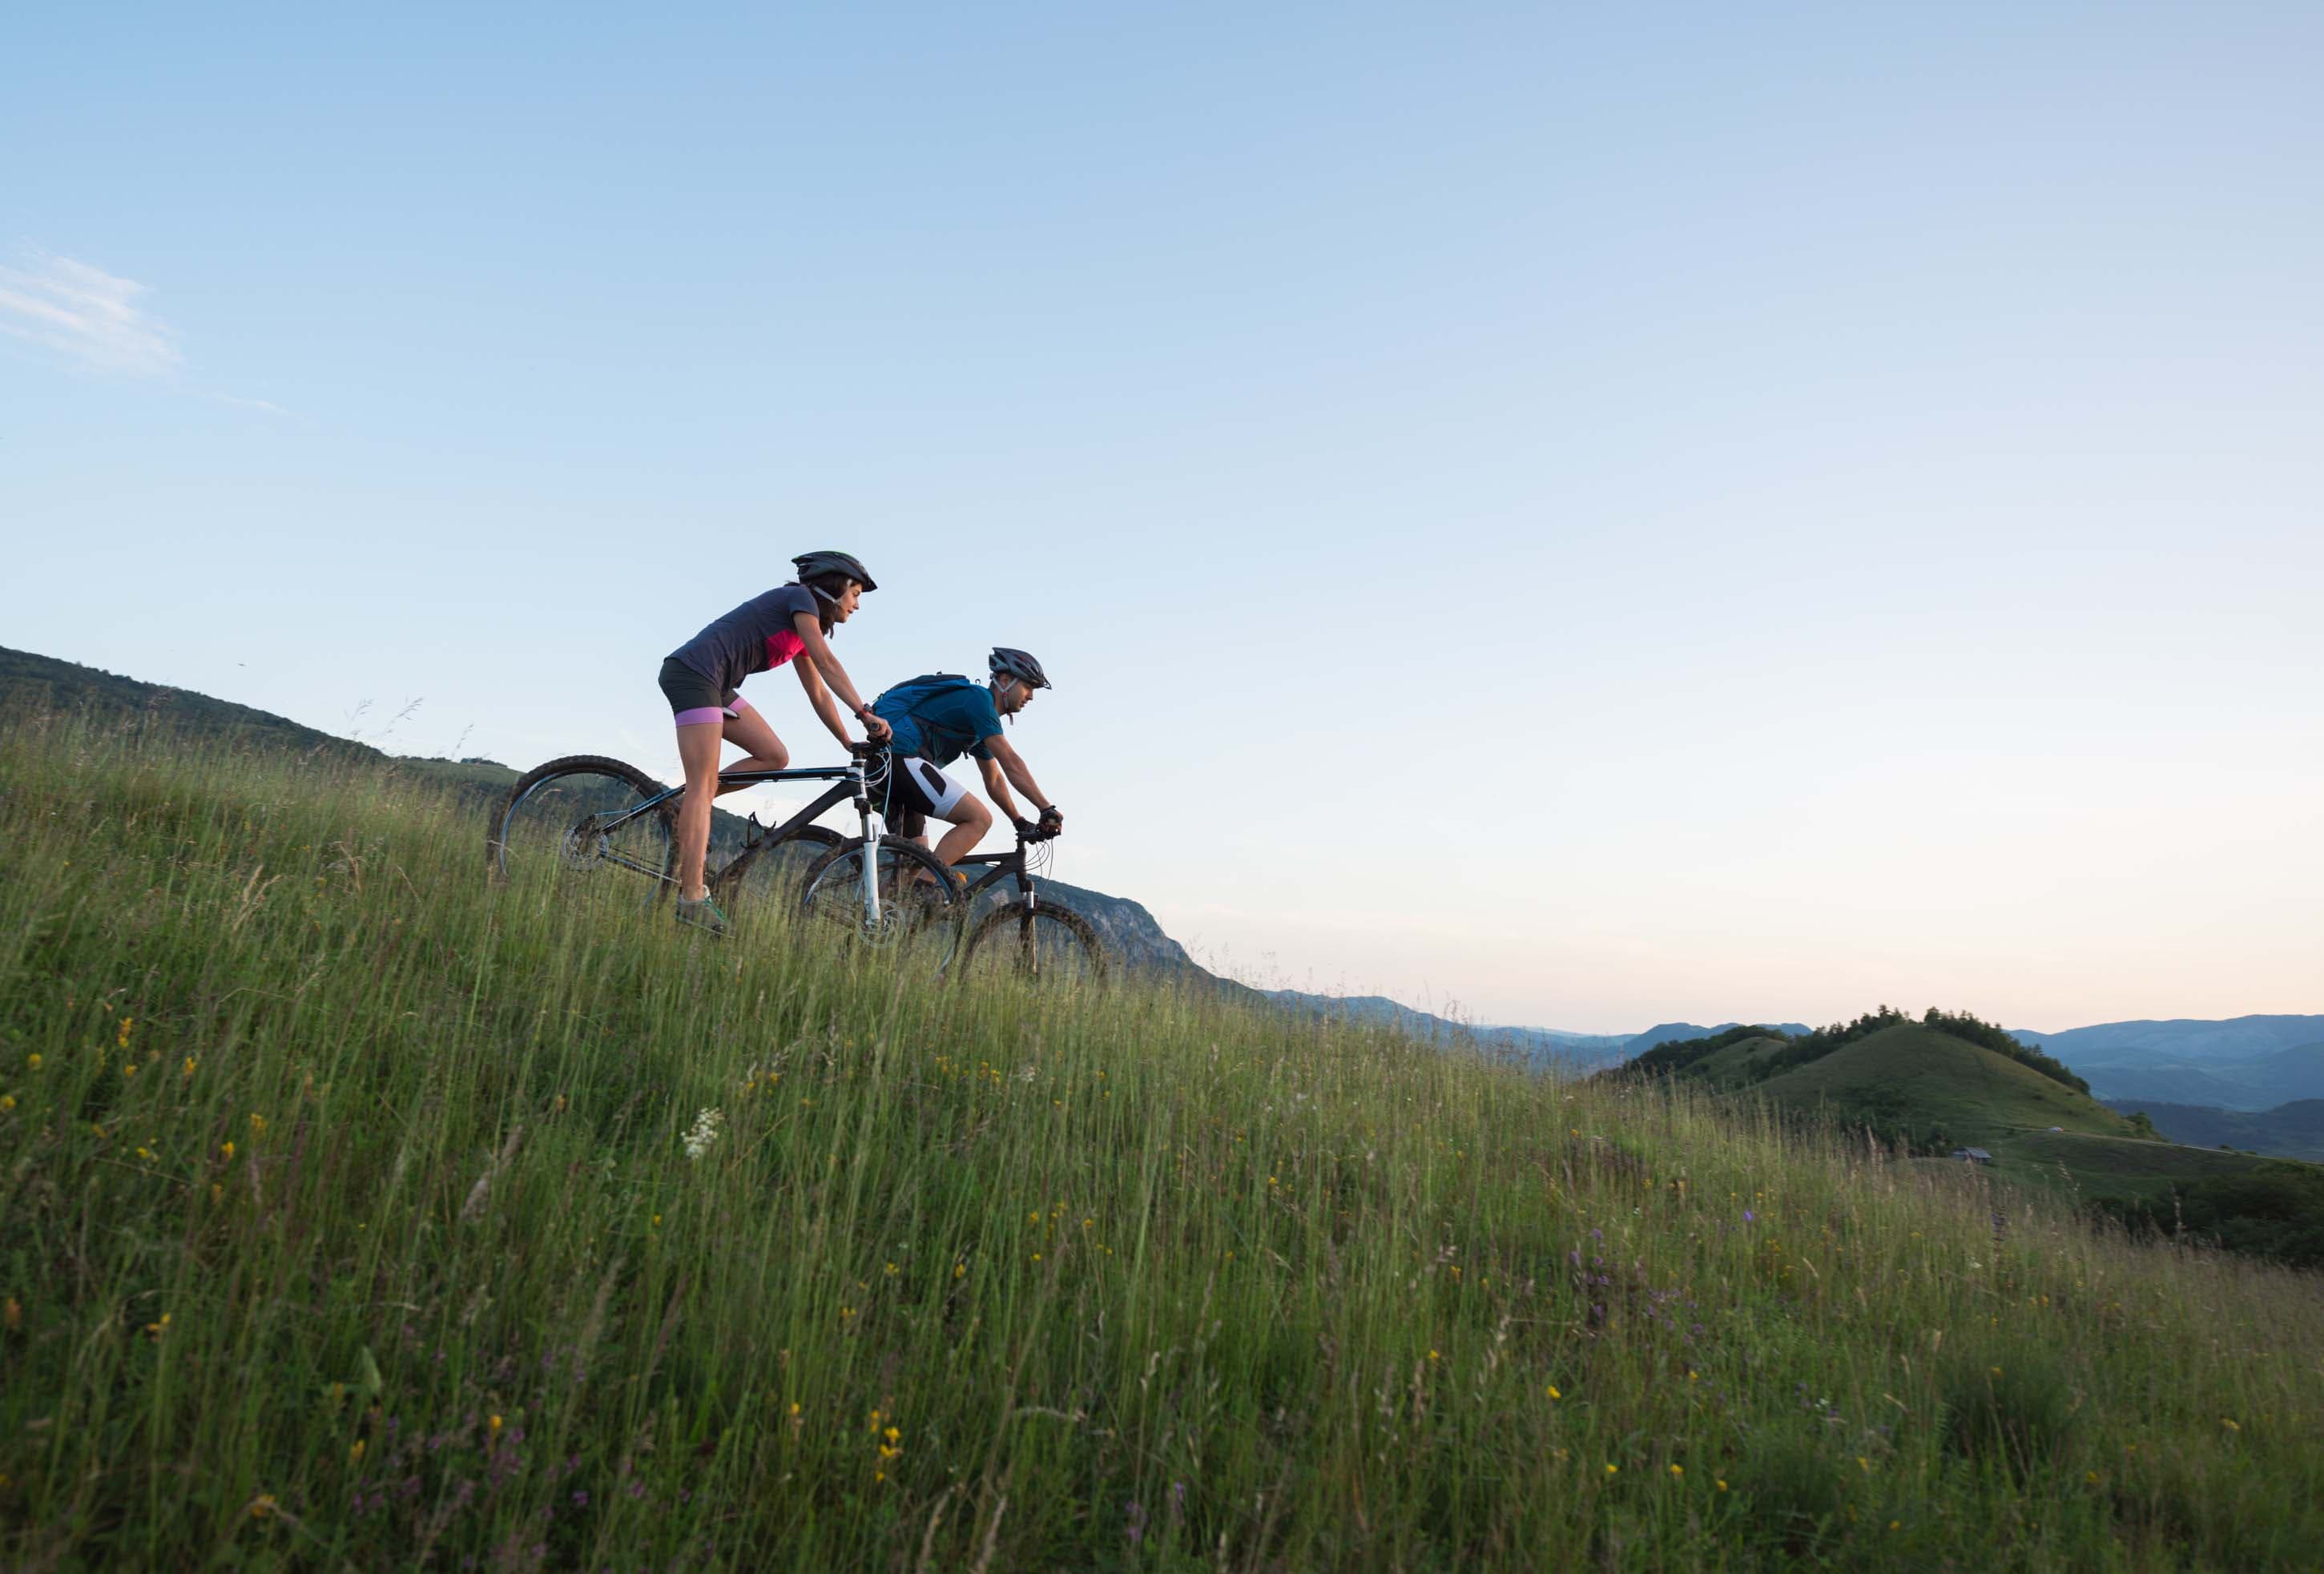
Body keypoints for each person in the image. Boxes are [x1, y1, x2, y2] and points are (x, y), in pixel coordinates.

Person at [658, 550, 892, 932]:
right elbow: (828, 662)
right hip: (693, 675)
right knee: (702, 785)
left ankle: (687, 808)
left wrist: (848, 741)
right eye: (856, 594)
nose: (858, 605)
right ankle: (691, 898)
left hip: (716, 685)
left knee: (773, 755)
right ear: (836, 587)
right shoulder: (798, 599)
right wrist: (865, 713)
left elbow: (818, 692)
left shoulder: (803, 626)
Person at [870, 647, 1062, 880]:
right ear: (1004, 680)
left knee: (912, 867)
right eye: (1028, 686)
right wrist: (1045, 808)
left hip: (884, 769)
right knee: (979, 819)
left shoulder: (979, 726)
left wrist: (1018, 821)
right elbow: (1010, 762)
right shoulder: (979, 700)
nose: (1031, 696)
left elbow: (994, 779)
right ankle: (927, 888)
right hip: (899, 759)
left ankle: (875, 912)